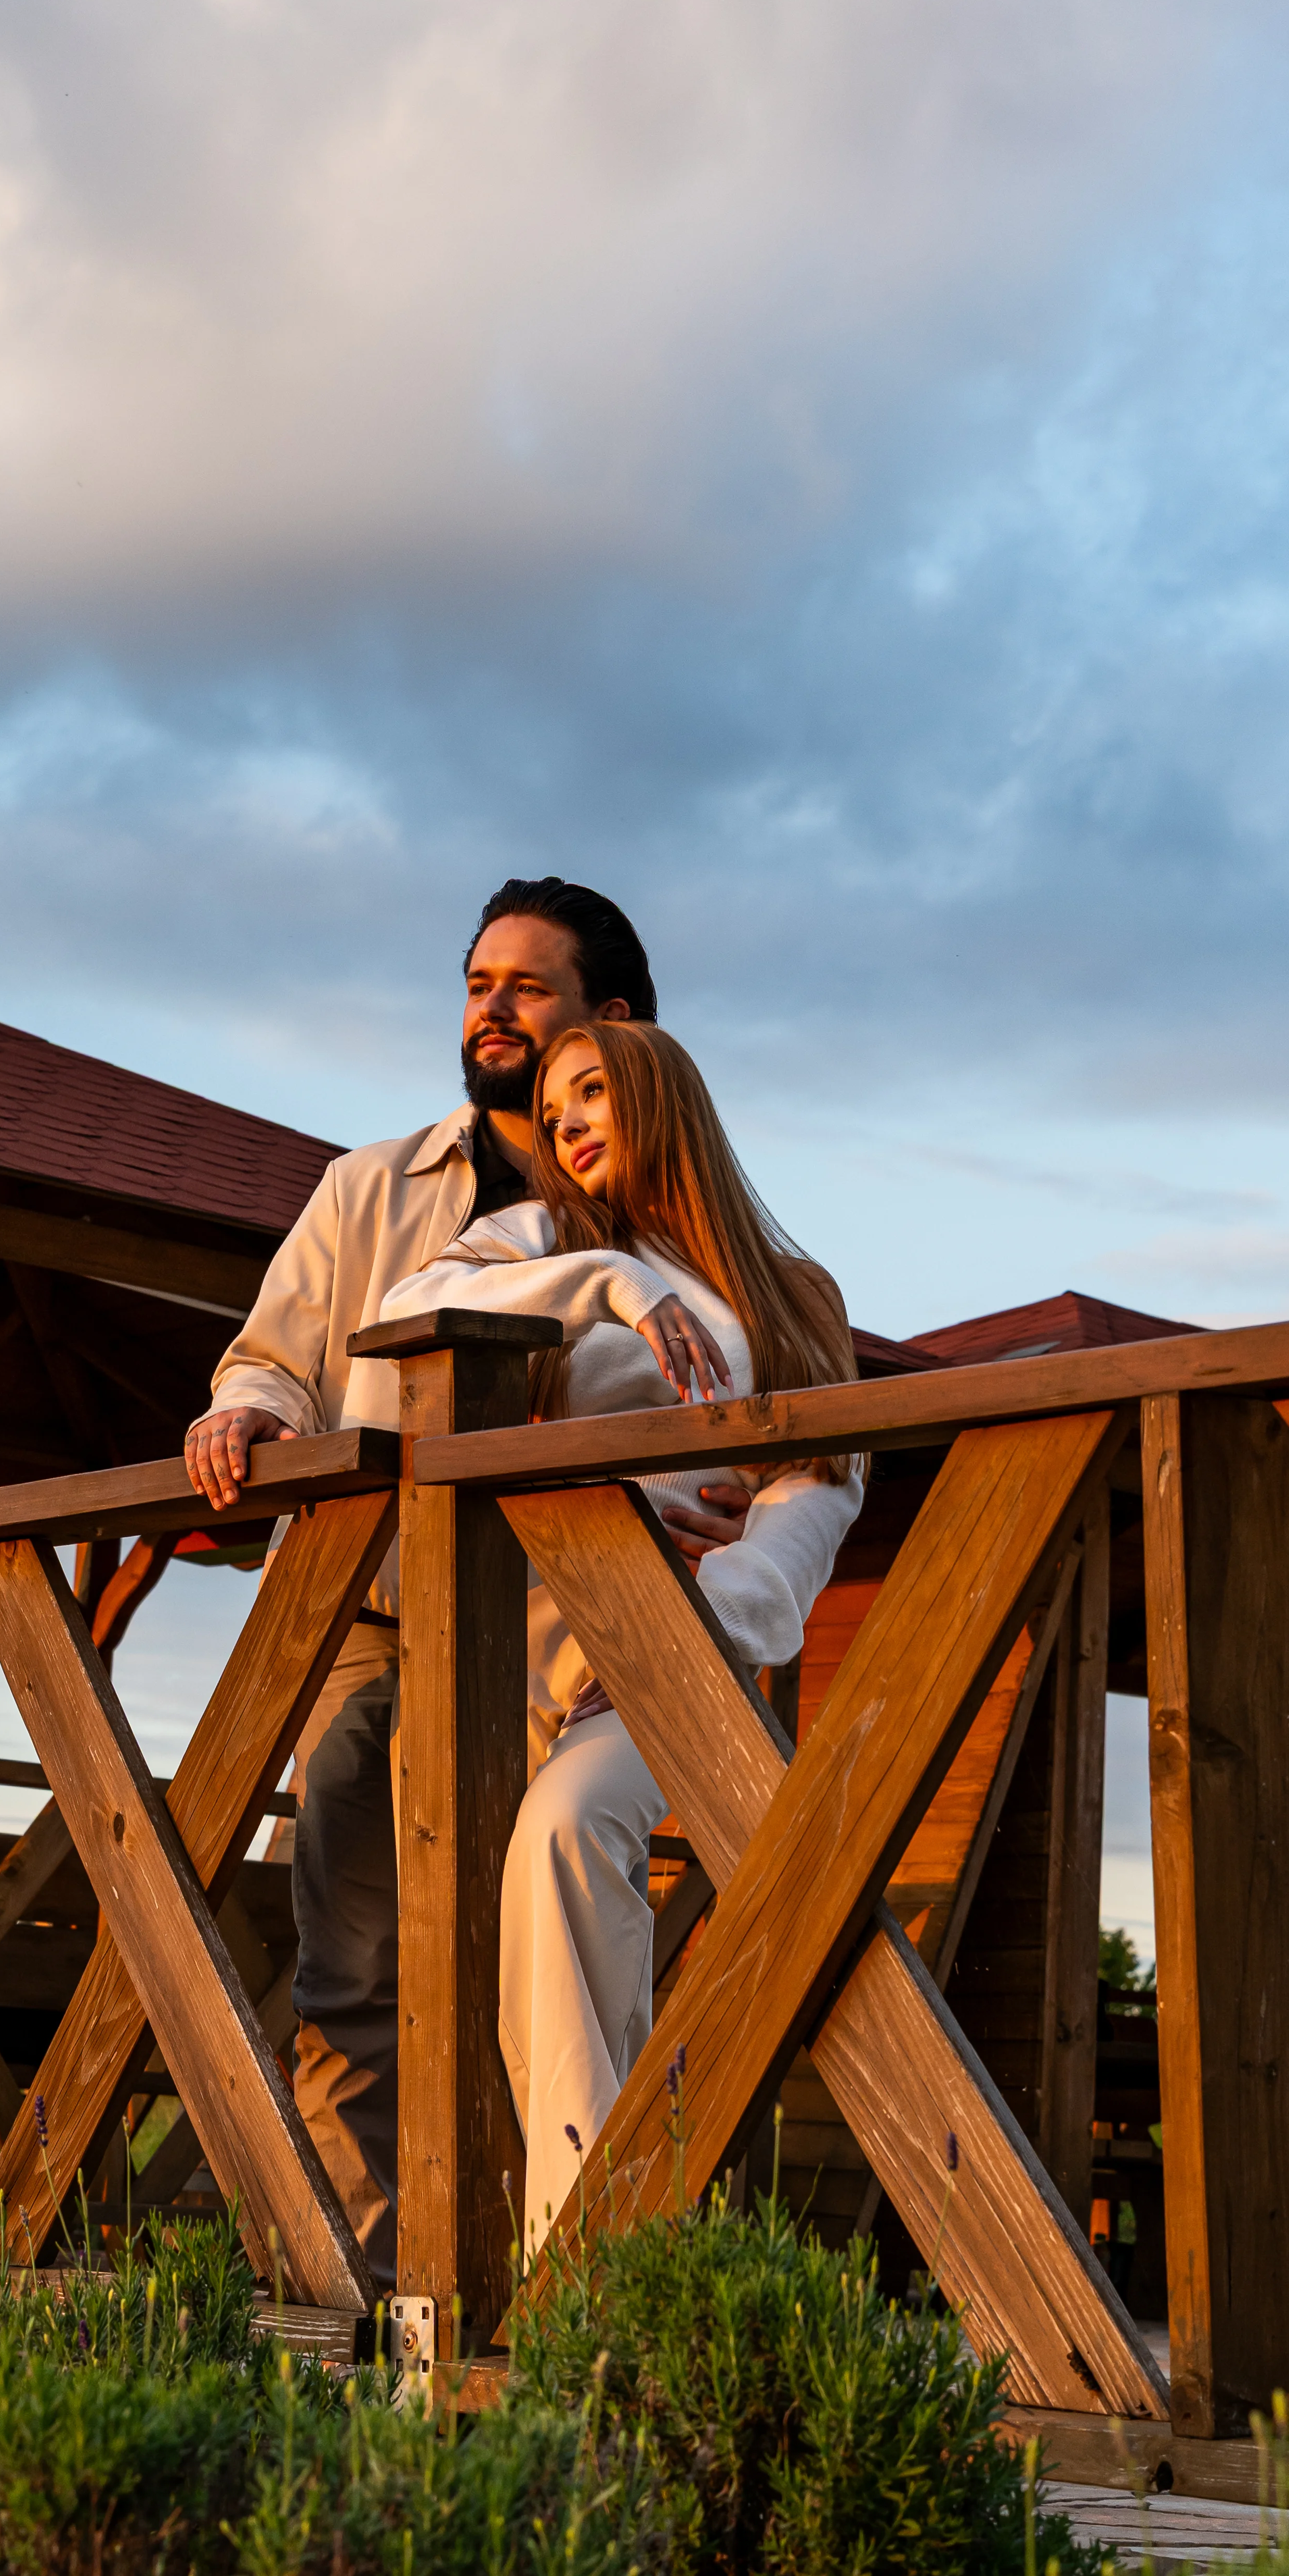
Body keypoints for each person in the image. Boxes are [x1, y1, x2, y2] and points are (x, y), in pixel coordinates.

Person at [180, 880, 751, 2288]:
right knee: (355, 1961)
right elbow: (283, 1352)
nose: (490, 1008)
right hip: (386, 1609)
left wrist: (724, 1513)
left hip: (592, 1635)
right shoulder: (373, 1188)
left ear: (611, 1023)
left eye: (527, 986)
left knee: (565, 1936)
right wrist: (247, 1408)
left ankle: (556, 2274)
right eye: (476, 980)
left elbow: (763, 1412)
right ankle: (364, 2284)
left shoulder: (693, 1229)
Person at [381, 1020, 864, 2256]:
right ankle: (619, 2235)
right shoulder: (542, 1241)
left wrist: (720, 1607)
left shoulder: (793, 1291)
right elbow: (408, 1309)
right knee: (515, 1944)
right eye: (555, 1109)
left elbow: (822, 1482)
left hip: (680, 1655)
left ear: (667, 1098)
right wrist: (618, 1286)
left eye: (596, 1091)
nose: (573, 1122)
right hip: (517, 1649)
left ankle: (580, 2250)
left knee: (564, 1832)